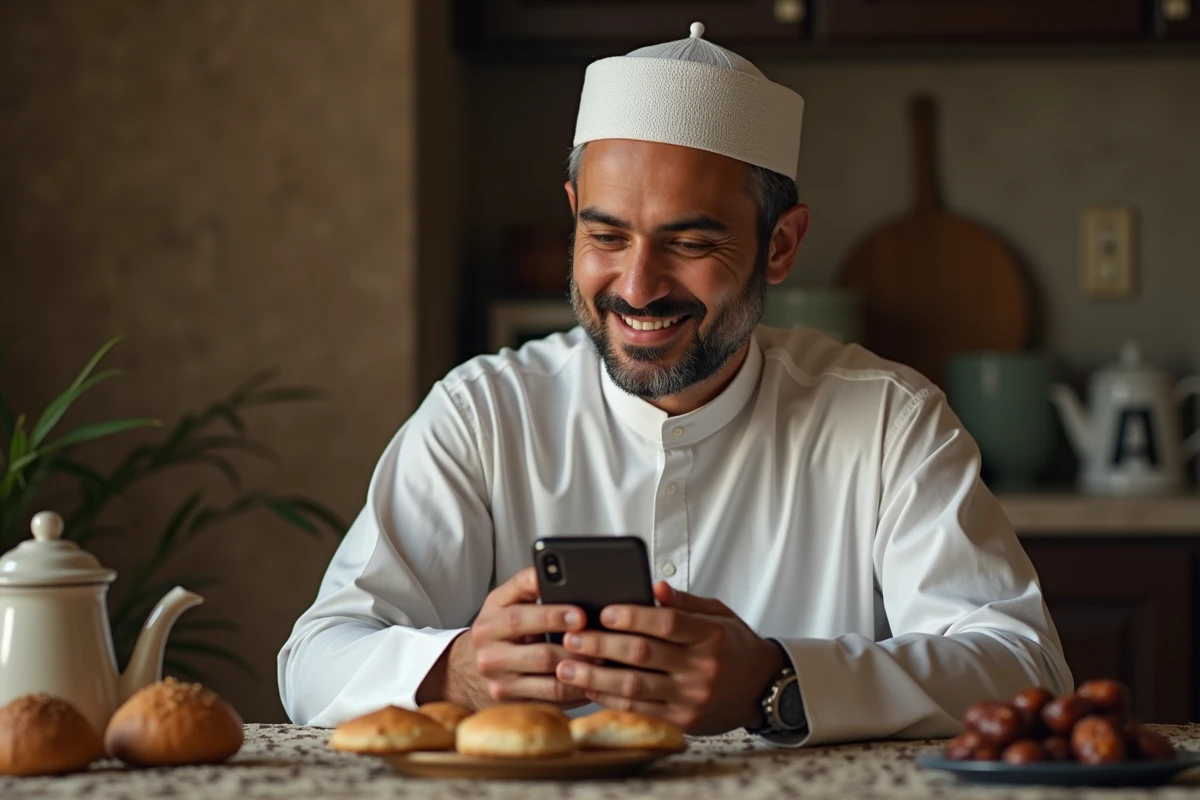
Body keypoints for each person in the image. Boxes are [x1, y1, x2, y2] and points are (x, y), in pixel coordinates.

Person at [277, 21, 1071, 745]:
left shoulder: (888, 420)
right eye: (607, 235)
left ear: (781, 246)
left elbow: (1022, 665)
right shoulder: (482, 414)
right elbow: (314, 658)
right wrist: (456, 670)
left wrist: (778, 681)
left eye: (690, 242)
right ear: (572, 219)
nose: (638, 285)